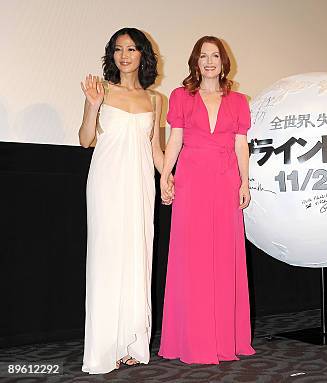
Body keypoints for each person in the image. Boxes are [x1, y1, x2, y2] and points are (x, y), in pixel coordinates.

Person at [158, 36, 255, 364]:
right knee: (193, 258)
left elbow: (241, 144)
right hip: (192, 181)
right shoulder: (181, 96)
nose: (210, 61)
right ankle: (191, 339)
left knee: (224, 258)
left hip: (226, 180)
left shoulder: (239, 100)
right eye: (203, 56)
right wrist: (165, 175)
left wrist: (245, 182)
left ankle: (226, 339)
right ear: (195, 62)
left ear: (224, 61)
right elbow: (175, 139)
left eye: (215, 56)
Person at [79, 28, 163, 374]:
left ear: (143, 55)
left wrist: (171, 177)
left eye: (131, 49)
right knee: (107, 256)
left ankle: (132, 342)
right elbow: (85, 140)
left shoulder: (156, 100)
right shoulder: (101, 90)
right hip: (107, 181)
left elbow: (156, 150)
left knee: (138, 254)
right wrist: (93, 106)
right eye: (118, 49)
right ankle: (103, 347)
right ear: (111, 55)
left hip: (141, 182)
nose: (124, 55)